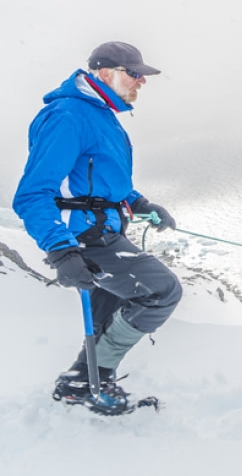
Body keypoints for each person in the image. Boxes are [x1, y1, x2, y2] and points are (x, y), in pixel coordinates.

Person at [12, 41, 182, 415]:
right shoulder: (68, 116)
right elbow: (33, 194)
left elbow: (99, 179)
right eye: (133, 73)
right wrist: (61, 249)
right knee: (162, 291)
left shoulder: (100, 114)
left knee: (117, 307)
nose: (141, 81)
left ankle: (82, 382)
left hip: (106, 229)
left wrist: (139, 203)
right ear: (106, 73)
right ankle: (96, 377)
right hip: (88, 238)